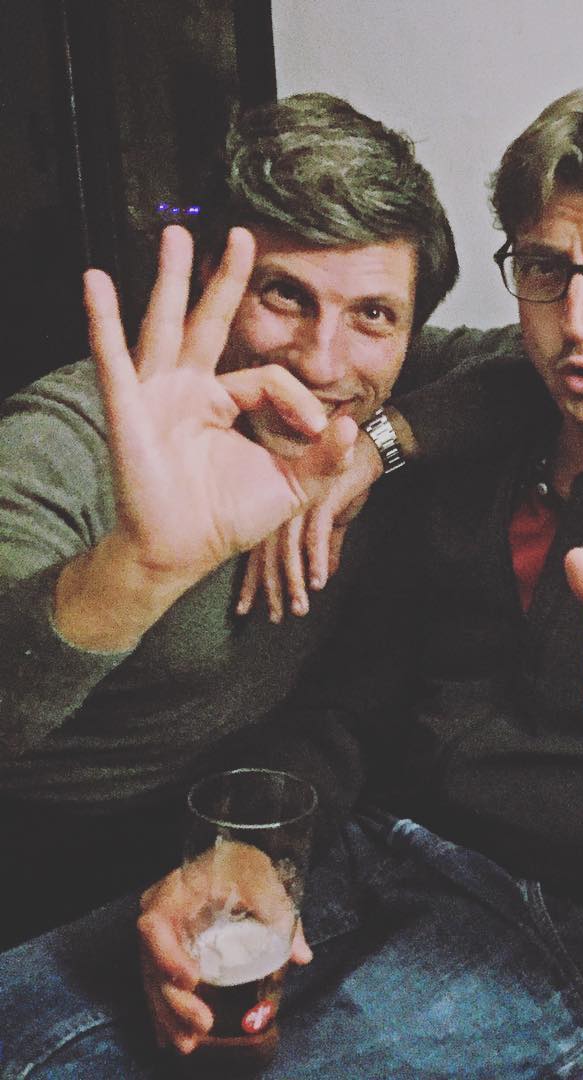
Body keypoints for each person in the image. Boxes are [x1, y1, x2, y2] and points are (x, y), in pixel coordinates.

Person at [0, 88, 583, 1078]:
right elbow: (356, 702)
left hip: (570, 932)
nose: (578, 325)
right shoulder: (487, 427)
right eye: (544, 270)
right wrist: (257, 847)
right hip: (359, 848)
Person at [0, 92, 460, 948]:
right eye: (284, 295)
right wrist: (137, 567)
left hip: (238, 819)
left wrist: (379, 447)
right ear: (215, 281)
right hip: (40, 861)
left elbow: (541, 367)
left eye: (372, 314)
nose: (322, 362)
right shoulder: (64, 440)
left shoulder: (379, 396)